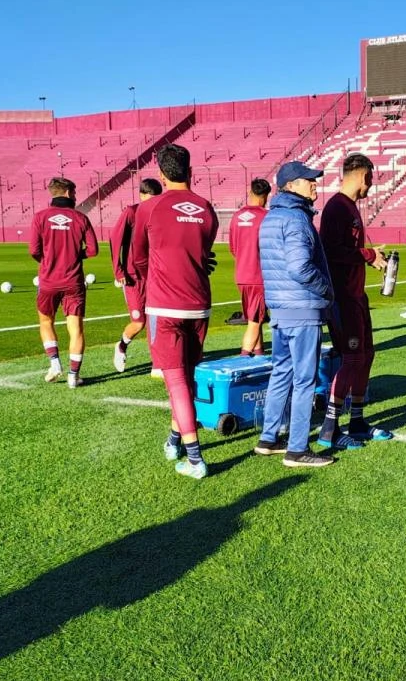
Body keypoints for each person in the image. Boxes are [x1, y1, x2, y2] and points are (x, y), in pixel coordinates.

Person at [127, 145, 219, 480]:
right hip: (199, 305)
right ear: (190, 171)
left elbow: (137, 258)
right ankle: (174, 440)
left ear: (162, 175)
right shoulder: (207, 209)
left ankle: (195, 460)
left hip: (164, 305)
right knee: (187, 376)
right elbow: (203, 252)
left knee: (176, 380)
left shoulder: (149, 208)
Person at [254, 161, 335, 468]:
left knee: (281, 371)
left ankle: (269, 437)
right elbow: (300, 267)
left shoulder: (273, 217)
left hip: (281, 307)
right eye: (309, 180)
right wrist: (325, 289)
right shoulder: (297, 219)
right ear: (291, 185)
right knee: (304, 379)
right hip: (302, 308)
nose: (315, 184)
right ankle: (298, 449)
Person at [320, 153, 393, 449]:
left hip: (357, 296)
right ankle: (329, 429)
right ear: (362, 176)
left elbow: (350, 252)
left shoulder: (350, 207)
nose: (371, 187)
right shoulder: (336, 207)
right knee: (350, 358)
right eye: (371, 180)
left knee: (366, 355)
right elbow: (330, 251)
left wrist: (370, 259)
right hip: (343, 299)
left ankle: (358, 421)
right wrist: (368, 255)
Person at [29, 178, 99, 388]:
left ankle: (55, 364)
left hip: (49, 280)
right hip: (73, 282)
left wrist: (49, 260)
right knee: (76, 329)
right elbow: (94, 250)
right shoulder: (80, 218)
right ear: (68, 193)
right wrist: (75, 255)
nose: (76, 196)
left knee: (45, 322)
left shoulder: (40, 217)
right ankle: (73, 376)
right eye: (75, 192)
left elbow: (34, 250)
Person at [109, 178, 162, 373]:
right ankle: (121, 346)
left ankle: (158, 362)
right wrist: (118, 269)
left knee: (156, 319)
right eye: (150, 200)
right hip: (133, 276)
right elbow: (115, 240)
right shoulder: (131, 212)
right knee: (139, 321)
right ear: (141, 195)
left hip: (155, 274)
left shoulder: (160, 213)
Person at [228, 178, 273, 356]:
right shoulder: (267, 217)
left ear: (250, 193)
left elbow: (233, 248)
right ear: (266, 196)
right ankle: (244, 357)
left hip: (241, 275)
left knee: (255, 317)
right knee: (255, 321)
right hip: (258, 276)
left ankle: (259, 354)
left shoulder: (236, 216)